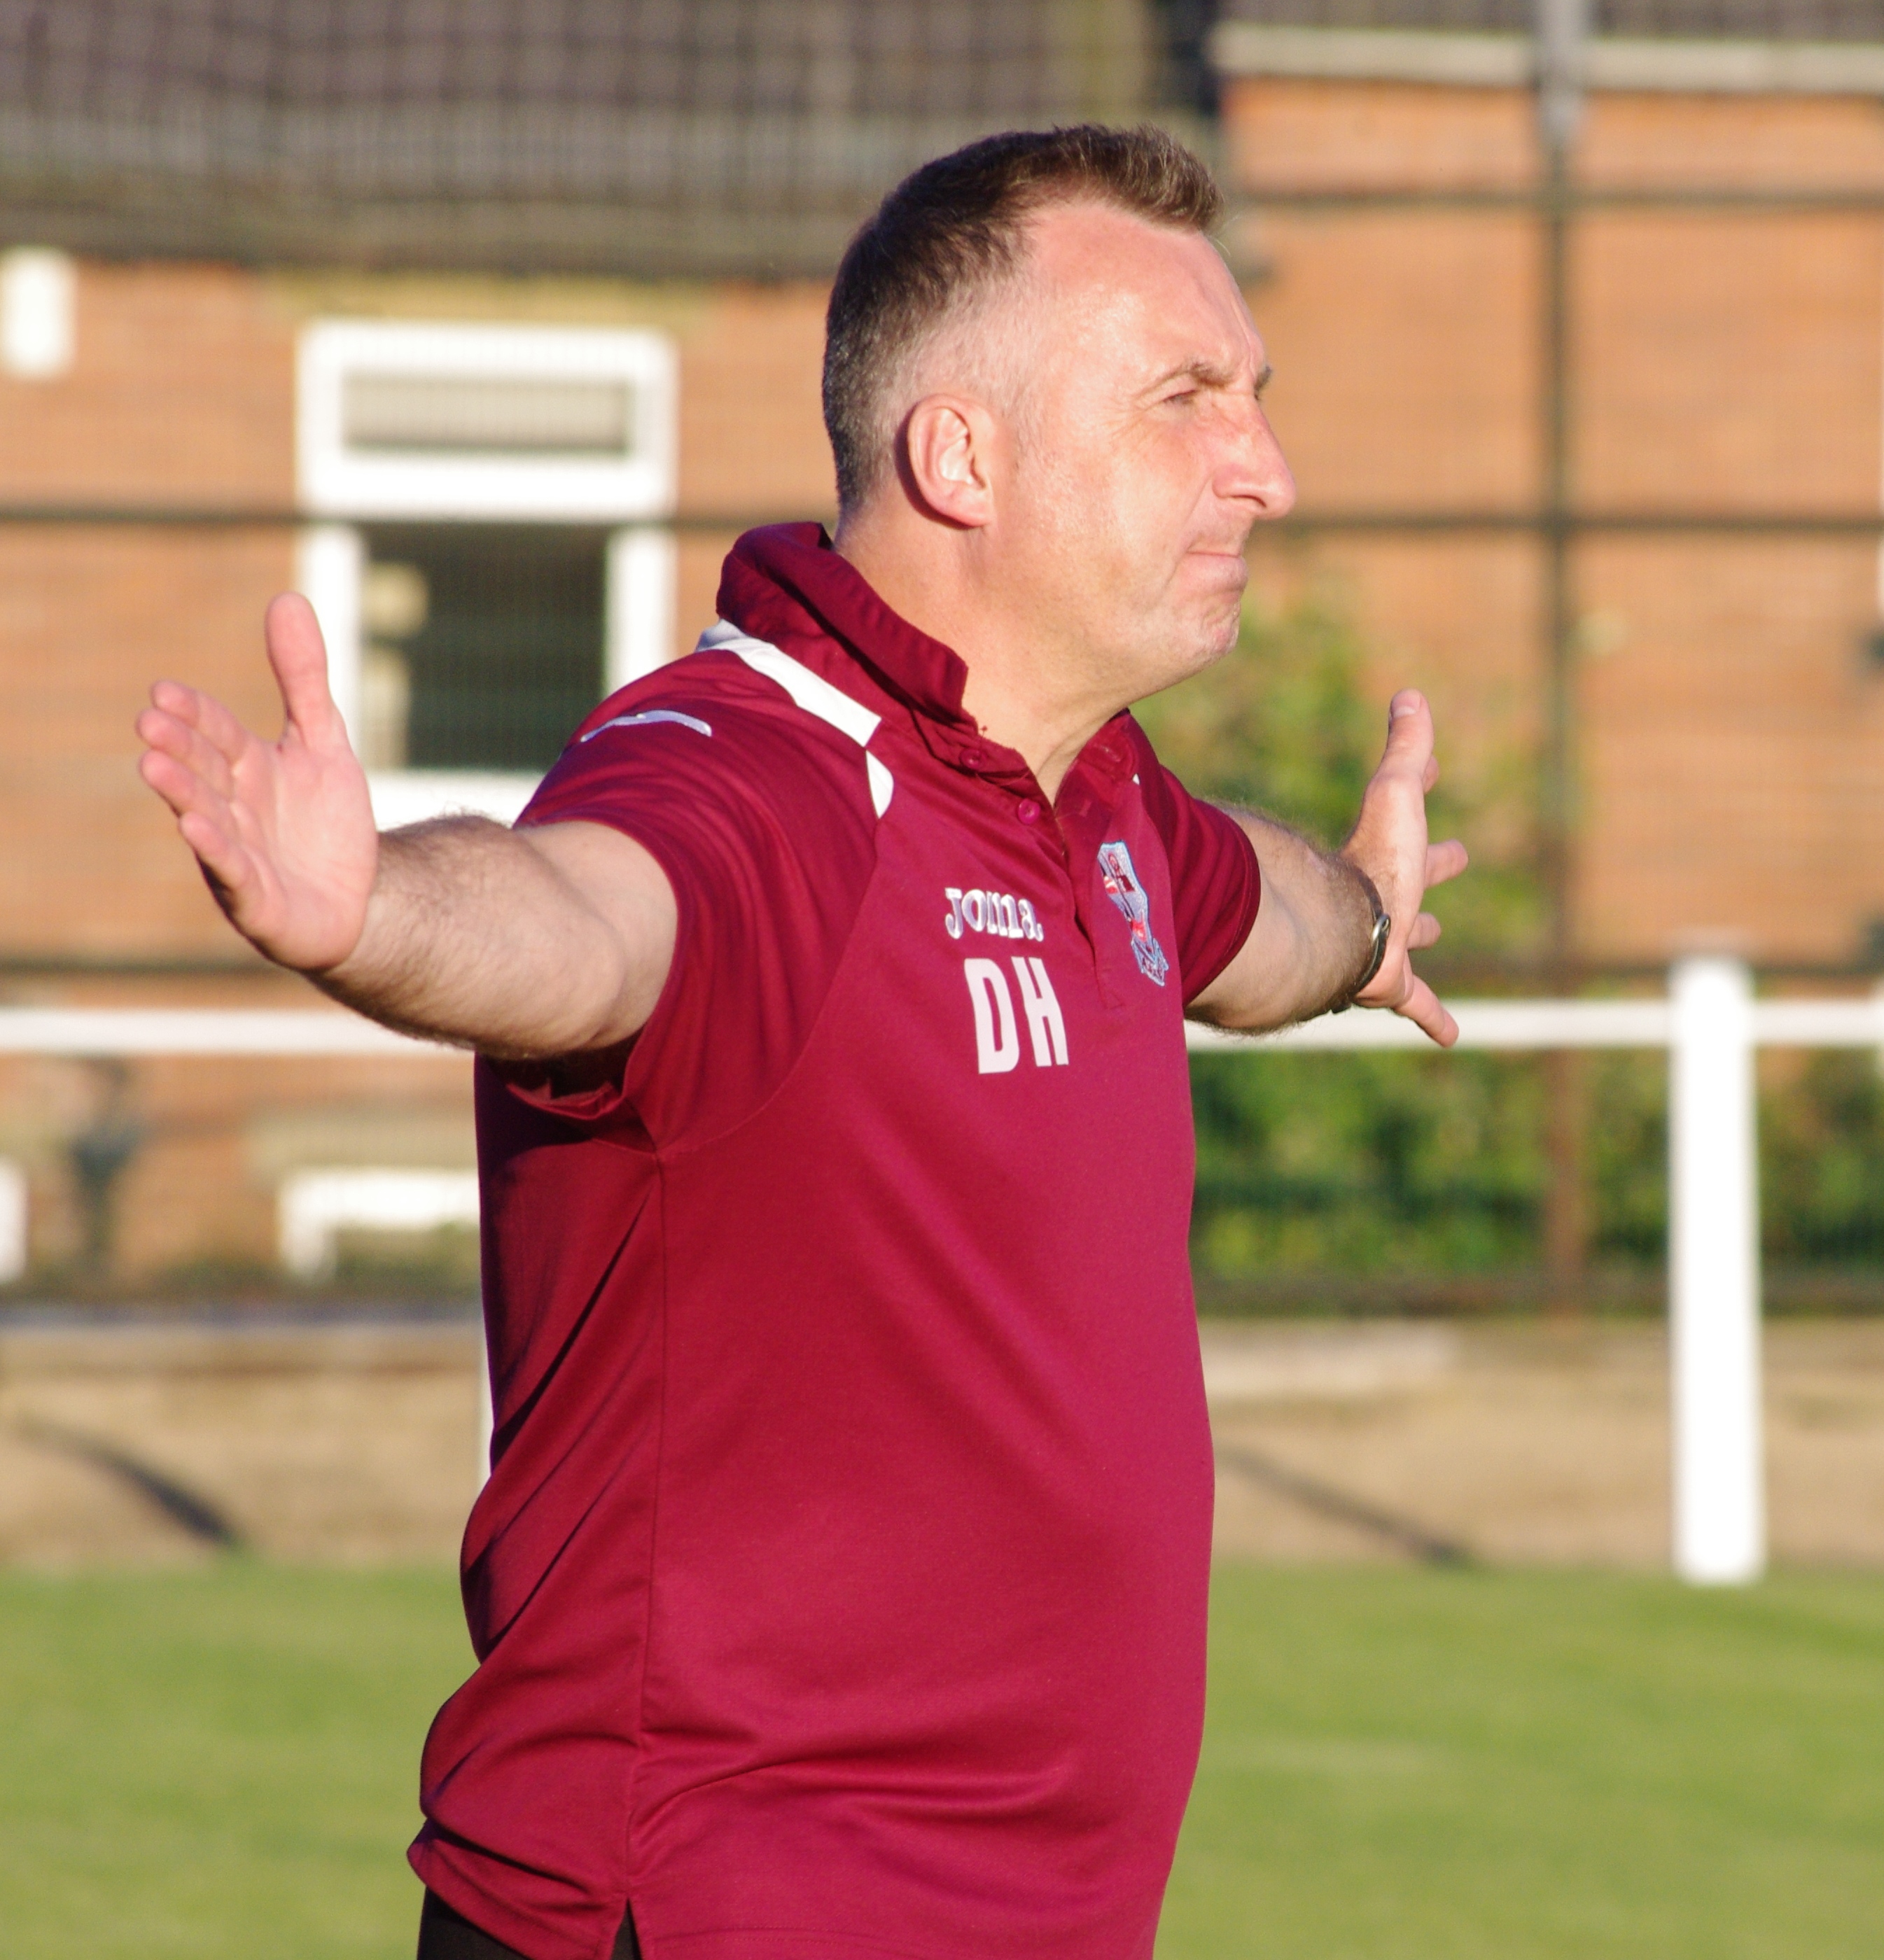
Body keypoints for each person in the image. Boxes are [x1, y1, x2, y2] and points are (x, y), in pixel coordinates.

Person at [137, 127, 1465, 1960]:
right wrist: (374, 917)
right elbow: (589, 922)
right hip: (699, 1909)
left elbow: (1258, 924)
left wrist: (1375, 925)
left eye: (1251, 398)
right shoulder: (748, 778)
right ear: (959, 456)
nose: (1265, 469)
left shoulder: (1101, 805)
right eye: (1186, 400)